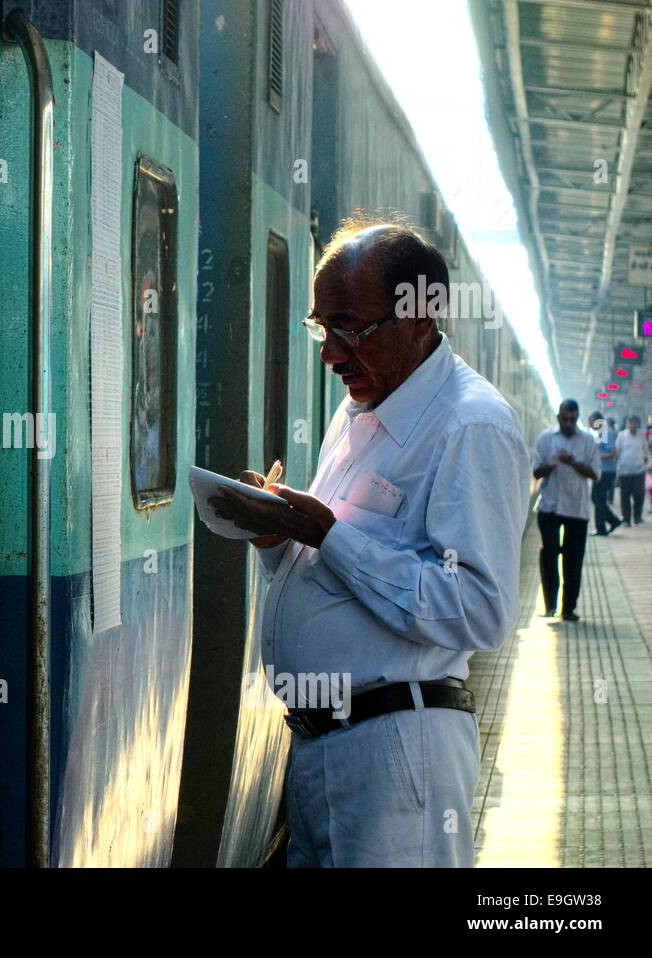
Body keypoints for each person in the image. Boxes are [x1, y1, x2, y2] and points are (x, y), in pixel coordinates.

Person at [207, 219, 530, 867]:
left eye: (348, 327)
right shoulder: (357, 414)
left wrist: (327, 531)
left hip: (394, 755)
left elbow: (479, 608)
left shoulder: (471, 426)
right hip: (321, 748)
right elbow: (338, 570)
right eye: (320, 327)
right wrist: (279, 536)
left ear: (421, 315)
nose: (330, 353)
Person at [532, 400, 600, 619]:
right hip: (549, 507)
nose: (568, 423)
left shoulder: (588, 442)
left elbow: (595, 474)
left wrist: (572, 462)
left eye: (572, 419)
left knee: (573, 559)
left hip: (576, 509)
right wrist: (553, 463)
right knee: (549, 555)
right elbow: (536, 472)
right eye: (564, 419)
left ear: (577, 418)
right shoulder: (545, 439)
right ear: (558, 417)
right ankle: (549, 605)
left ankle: (568, 609)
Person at [588, 411, 621, 535]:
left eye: (591, 421)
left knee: (599, 499)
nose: (590, 424)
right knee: (597, 499)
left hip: (605, 472)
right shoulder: (601, 433)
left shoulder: (606, 433)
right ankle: (613, 521)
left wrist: (596, 457)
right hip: (602, 471)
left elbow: (613, 452)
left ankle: (602, 528)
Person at [615, 413, 650, 525]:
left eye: (635, 423)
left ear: (638, 424)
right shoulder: (621, 435)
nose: (632, 425)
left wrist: (647, 464)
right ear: (627, 424)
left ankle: (637, 517)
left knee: (639, 495)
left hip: (639, 470)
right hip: (625, 471)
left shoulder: (641, 435)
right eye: (630, 423)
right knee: (625, 496)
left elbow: (646, 451)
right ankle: (626, 518)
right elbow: (617, 451)